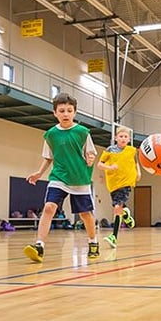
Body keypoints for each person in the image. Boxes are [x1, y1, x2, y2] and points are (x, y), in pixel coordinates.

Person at [24, 92, 99, 262]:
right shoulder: (50, 134)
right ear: (55, 113)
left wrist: (91, 158)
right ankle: (39, 246)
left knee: (85, 214)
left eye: (69, 110)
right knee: (49, 207)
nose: (66, 114)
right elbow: (49, 157)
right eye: (62, 110)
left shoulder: (82, 132)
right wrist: (39, 173)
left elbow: (91, 152)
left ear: (75, 112)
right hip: (58, 176)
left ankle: (93, 242)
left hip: (79, 178)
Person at [97, 126, 140, 249]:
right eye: (121, 136)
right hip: (113, 184)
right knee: (119, 207)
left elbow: (136, 162)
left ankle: (114, 236)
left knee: (117, 207)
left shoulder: (132, 150)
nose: (123, 138)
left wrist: (139, 172)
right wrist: (109, 168)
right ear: (116, 138)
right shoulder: (110, 150)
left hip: (126, 182)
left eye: (126, 136)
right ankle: (126, 215)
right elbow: (100, 164)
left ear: (128, 139)